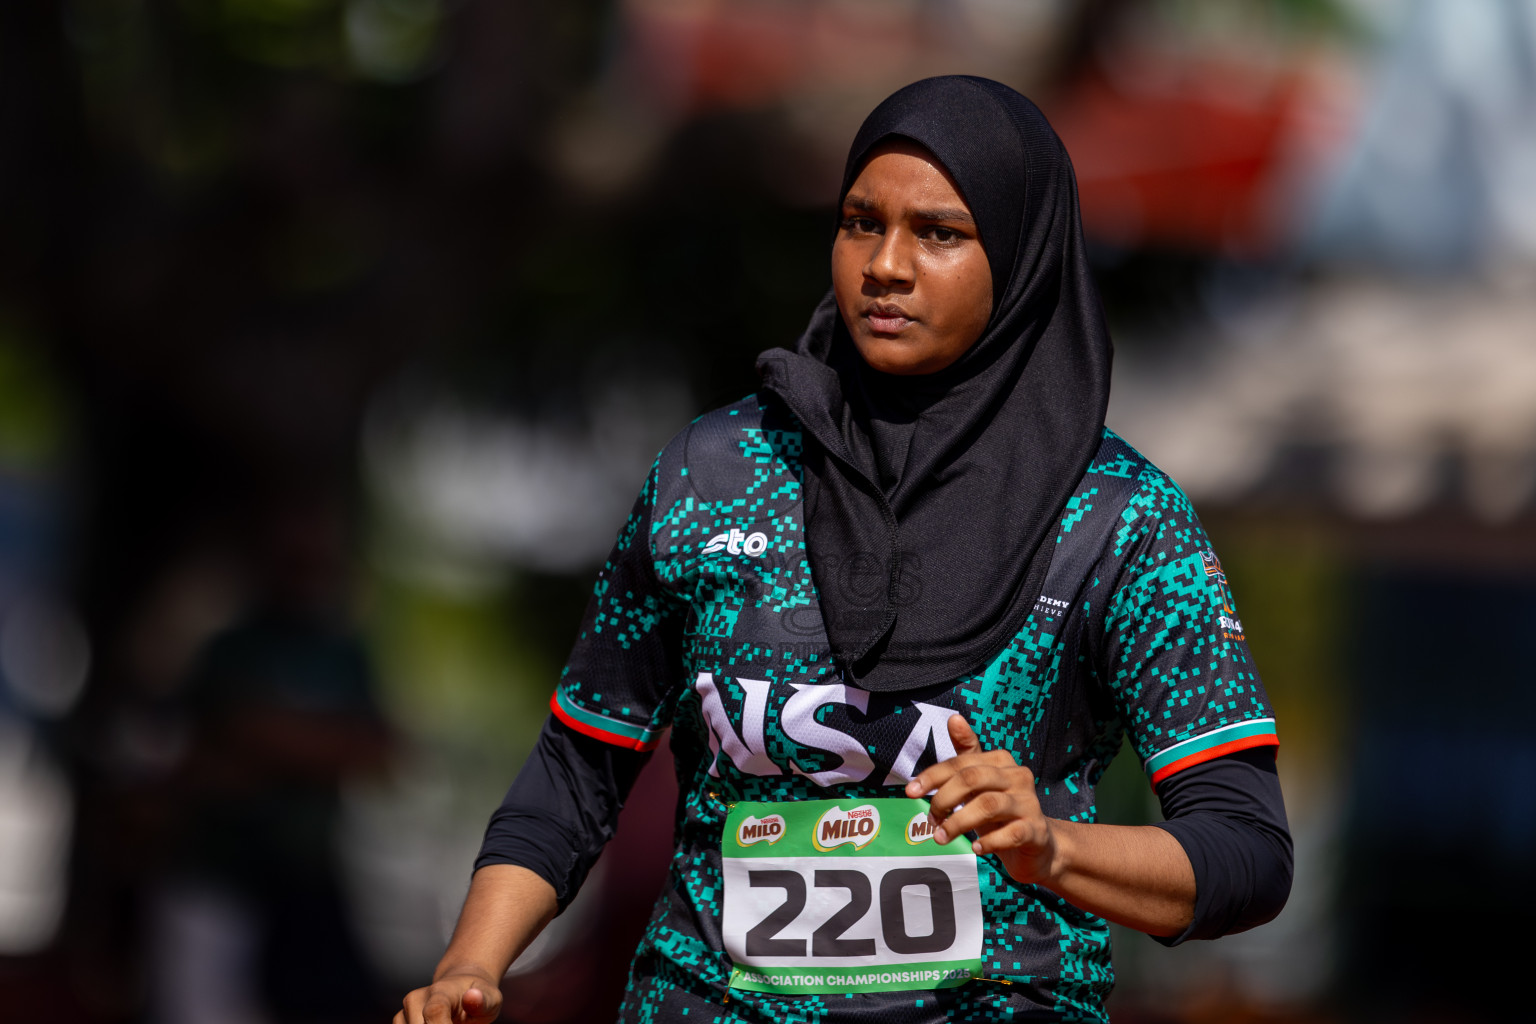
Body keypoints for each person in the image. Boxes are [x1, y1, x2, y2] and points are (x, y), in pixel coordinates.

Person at [395, 75, 1292, 1024]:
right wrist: (472, 963)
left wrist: (1054, 848)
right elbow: (576, 772)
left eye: (941, 234)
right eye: (861, 222)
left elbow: (1246, 851)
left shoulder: (1118, 517)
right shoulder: (714, 473)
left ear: (1022, 256)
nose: (886, 266)